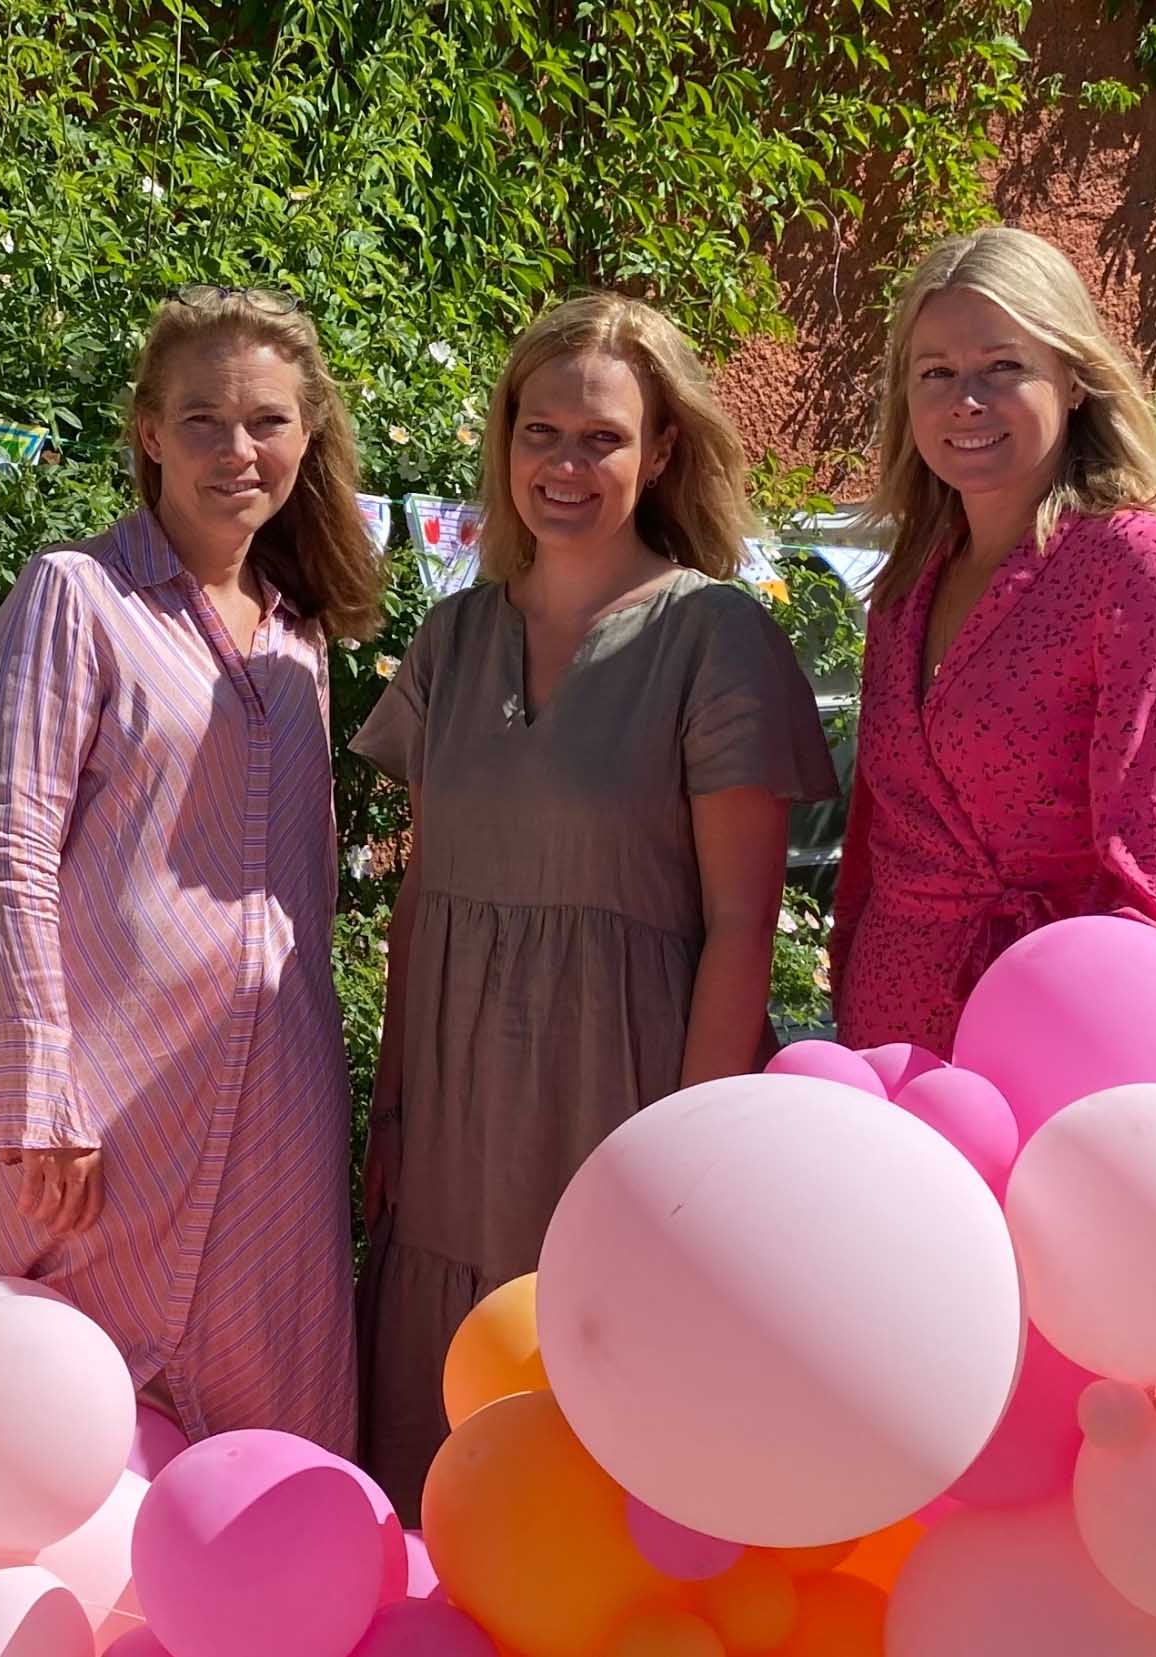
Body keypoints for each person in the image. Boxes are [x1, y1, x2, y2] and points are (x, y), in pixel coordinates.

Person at [351, 293, 837, 1514]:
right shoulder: (452, 637)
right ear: (506, 439)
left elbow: (741, 923)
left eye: (601, 438)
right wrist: (391, 1109)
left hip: (620, 1097)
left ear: (661, 450)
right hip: (454, 1111)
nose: (564, 465)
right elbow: (423, 895)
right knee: (441, 1435)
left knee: (598, 1431)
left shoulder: (714, 637)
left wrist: (688, 1161)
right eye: (542, 432)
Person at [0, 286, 382, 1456]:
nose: (237, 448)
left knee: (269, 1437)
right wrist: (38, 1079)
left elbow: (304, 889)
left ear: (307, 434)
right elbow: (6, 848)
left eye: (268, 420)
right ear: (149, 432)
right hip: (98, 1109)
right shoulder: (75, 594)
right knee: (49, 1436)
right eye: (203, 419)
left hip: (275, 1116)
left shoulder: (300, 637)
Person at [831, 227, 1156, 1057]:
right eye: (935, 372)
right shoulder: (907, 584)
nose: (965, 400)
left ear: (1075, 377)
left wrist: (1079, 1040)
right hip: (887, 1048)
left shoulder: (1138, 565)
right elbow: (874, 843)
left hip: (1051, 1048)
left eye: (1003, 366)